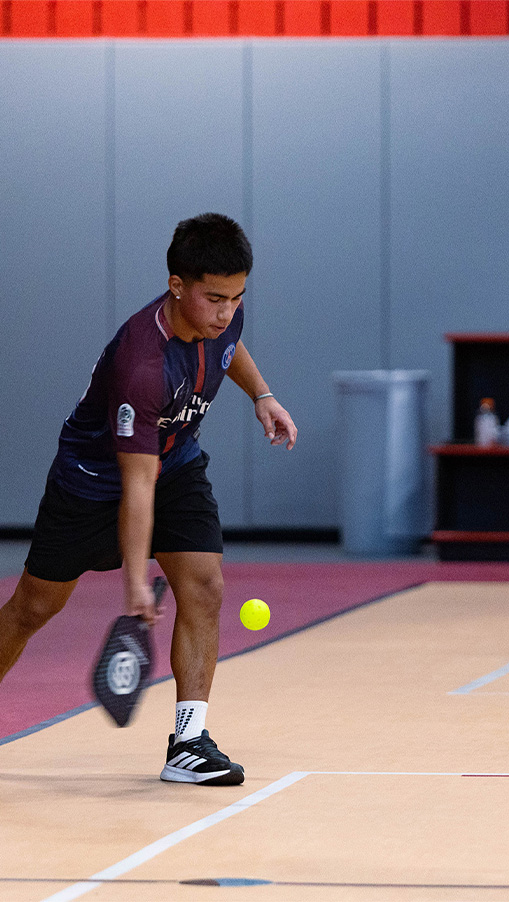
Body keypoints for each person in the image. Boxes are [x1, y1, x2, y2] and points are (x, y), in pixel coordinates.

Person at [0, 213, 297, 786]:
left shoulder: (219, 319)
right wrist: (136, 580)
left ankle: (188, 742)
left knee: (205, 585)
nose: (226, 311)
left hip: (177, 461)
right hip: (93, 483)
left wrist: (262, 395)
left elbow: (230, 347)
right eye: (214, 298)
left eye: (236, 298)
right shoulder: (143, 364)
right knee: (33, 609)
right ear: (176, 285)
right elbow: (137, 483)